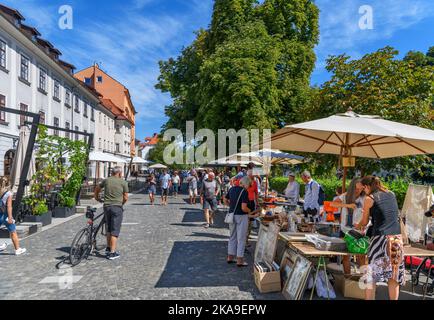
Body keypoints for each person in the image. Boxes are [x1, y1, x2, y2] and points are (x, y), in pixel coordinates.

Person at [355, 176, 405, 300]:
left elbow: (365, 221)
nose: (363, 192)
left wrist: (359, 224)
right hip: (396, 239)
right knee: (393, 276)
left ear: (367, 187)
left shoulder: (369, 198)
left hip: (380, 240)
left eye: (363, 189)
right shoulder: (391, 194)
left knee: (372, 277)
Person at [331, 178, 366, 275]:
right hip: (345, 230)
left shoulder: (365, 198)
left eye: (360, 188)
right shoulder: (345, 195)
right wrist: (347, 205)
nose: (358, 190)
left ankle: (364, 278)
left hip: (358, 231)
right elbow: (333, 204)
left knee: (361, 256)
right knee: (346, 256)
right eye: (356, 188)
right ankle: (348, 278)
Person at [94, 167, 129, 260]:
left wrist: (97, 198)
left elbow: (97, 188)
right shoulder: (123, 182)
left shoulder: (106, 180)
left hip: (106, 207)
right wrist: (121, 204)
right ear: (119, 173)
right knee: (115, 230)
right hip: (117, 207)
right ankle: (112, 253)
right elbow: (126, 197)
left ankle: (108, 248)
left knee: (109, 229)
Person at [224, 176, 260, 267]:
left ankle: (230, 257)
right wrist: (249, 211)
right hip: (241, 217)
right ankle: (240, 260)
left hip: (232, 215)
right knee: (241, 239)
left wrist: (231, 206)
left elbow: (224, 199)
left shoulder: (232, 189)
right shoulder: (244, 191)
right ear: (246, 183)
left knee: (232, 237)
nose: (249, 187)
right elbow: (244, 208)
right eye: (249, 185)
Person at [0, 177, 26, 255]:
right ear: (9, 183)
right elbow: (9, 206)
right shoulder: (9, 193)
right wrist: (10, 217)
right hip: (5, 215)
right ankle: (17, 249)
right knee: (13, 232)